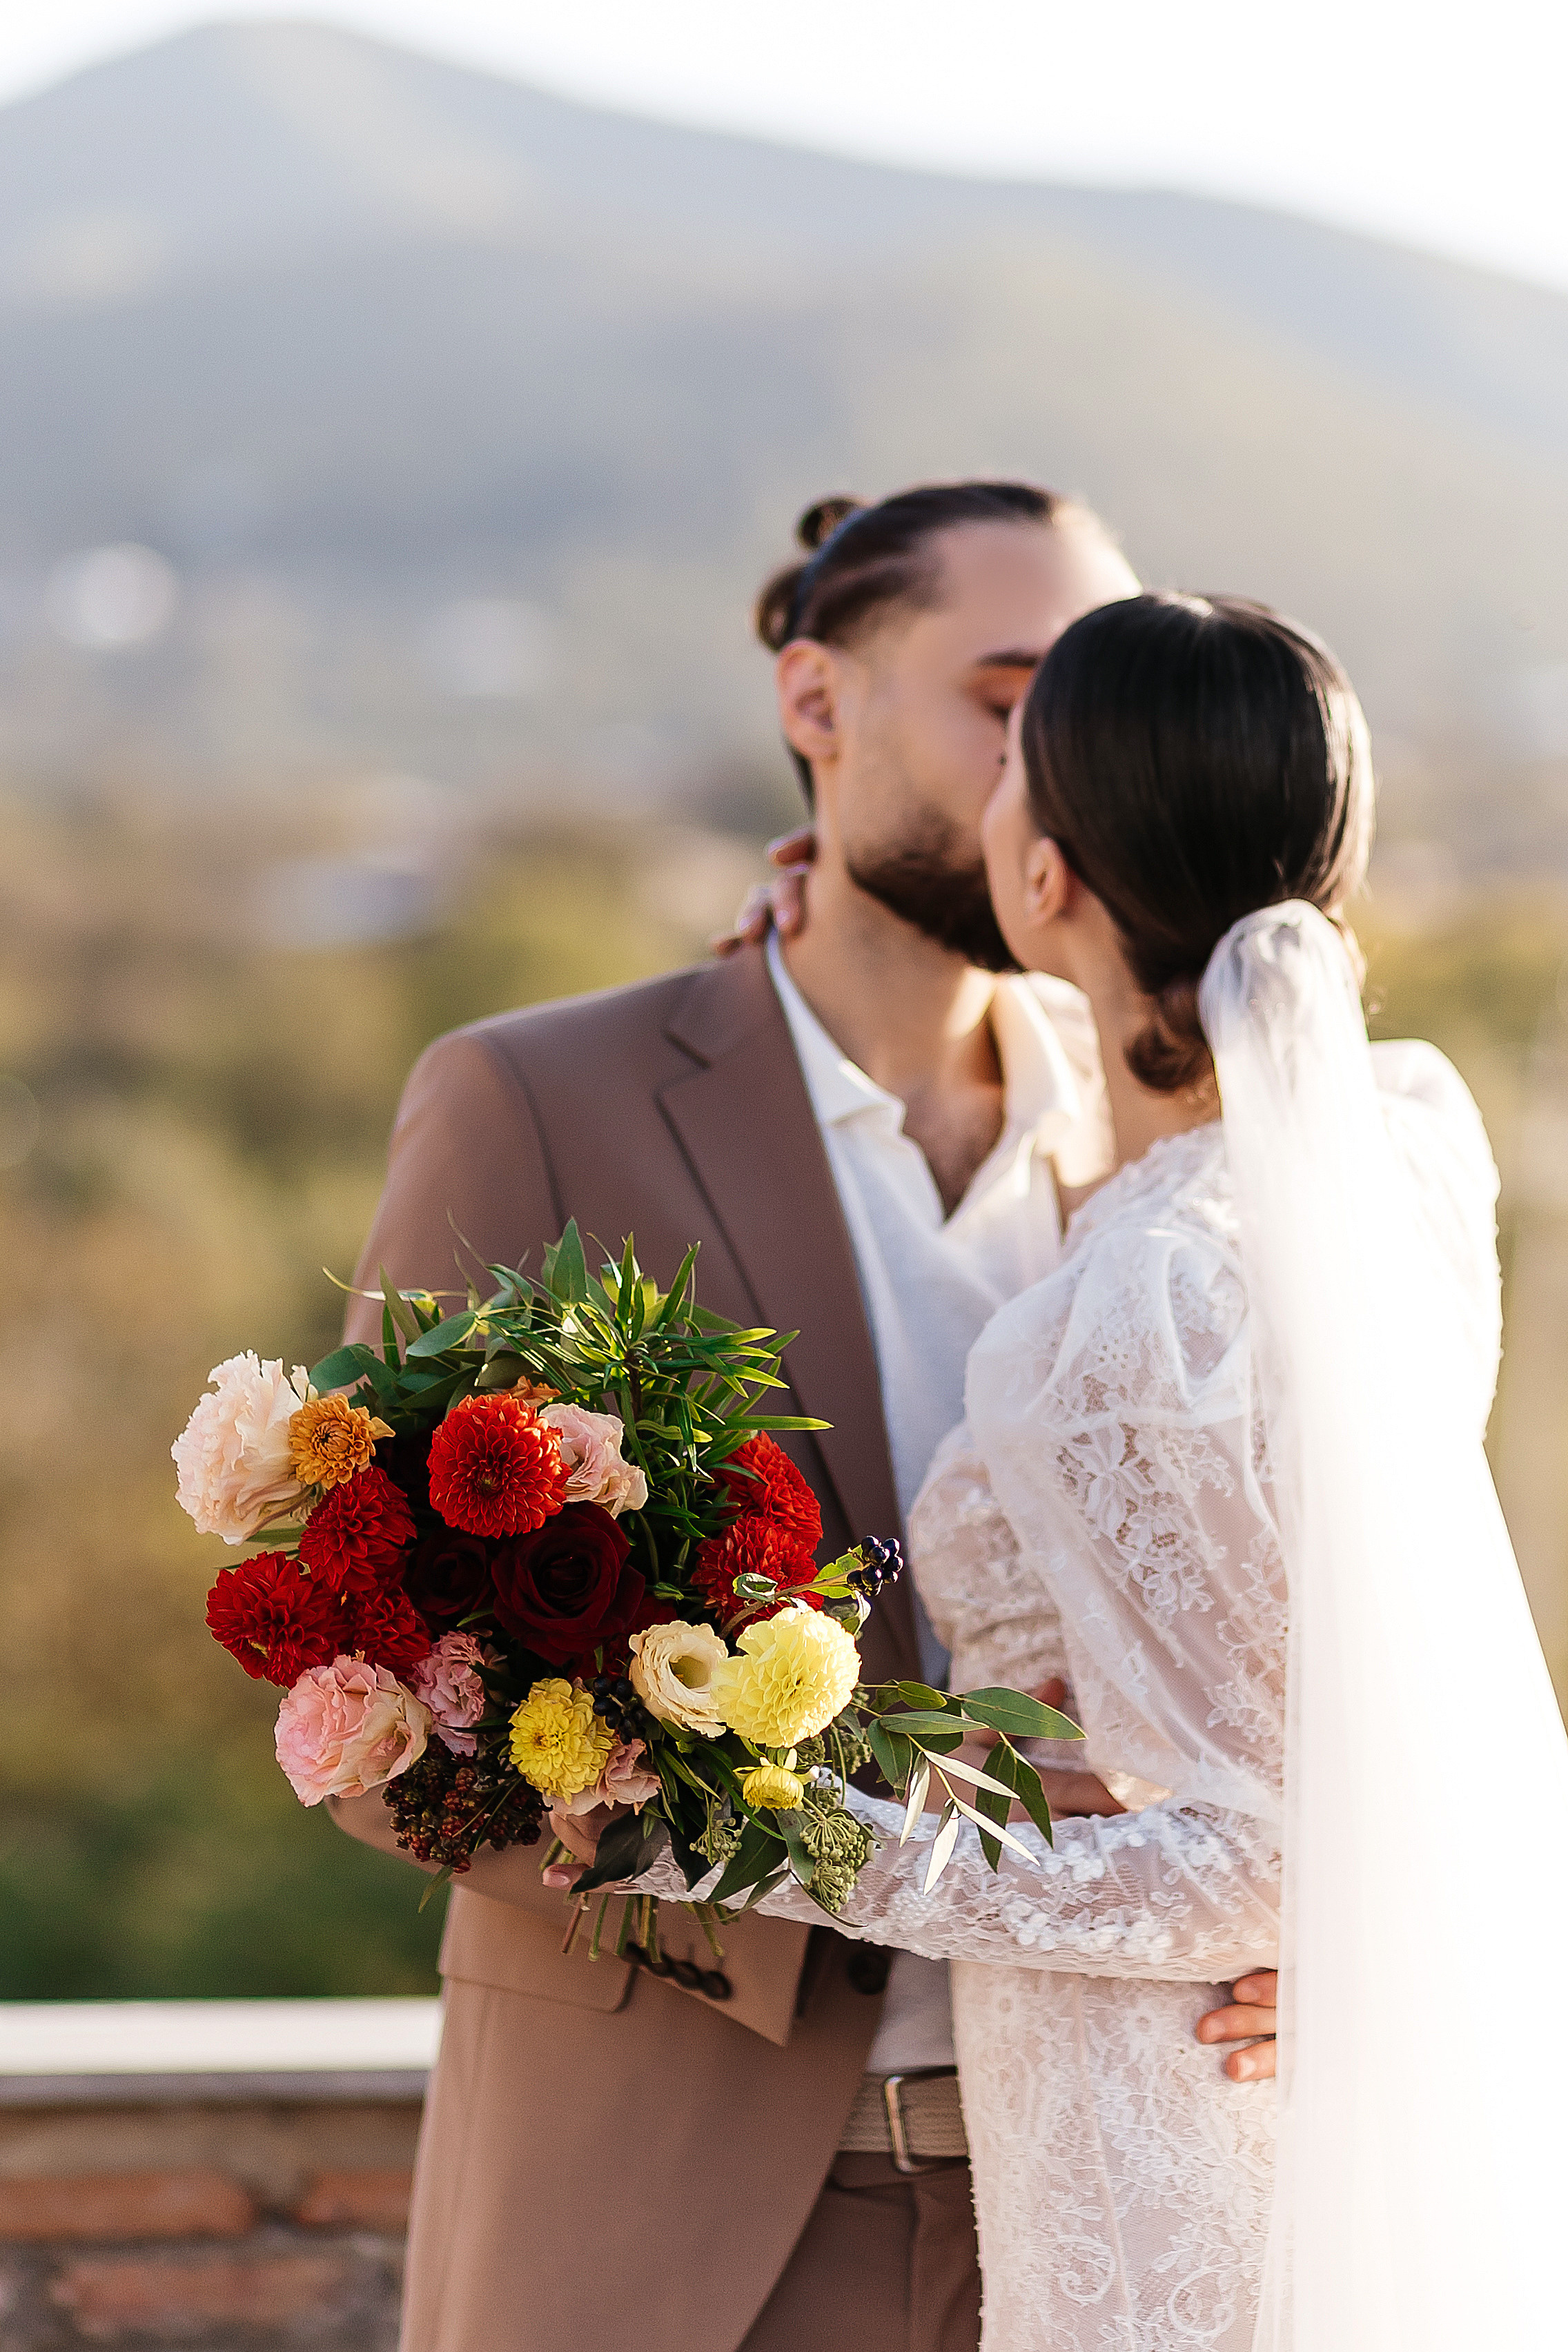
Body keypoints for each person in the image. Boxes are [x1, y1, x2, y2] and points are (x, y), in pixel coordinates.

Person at [330, 489, 1277, 2352]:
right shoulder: (536, 1099)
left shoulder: (1189, 1162)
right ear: (817, 702)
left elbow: (1333, 1656)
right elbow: (368, 1702)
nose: (1054, 764)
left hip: (1110, 2194)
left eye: (1088, 709)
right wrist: (760, 1846)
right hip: (682, 2201)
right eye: (1007, 700)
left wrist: (1334, 1922)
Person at [576, 589, 1568, 2349]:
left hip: (1165, 2100)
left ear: (1045, 881)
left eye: (1012, 768)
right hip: (1234, 2076)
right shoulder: (1399, 1153)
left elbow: (1245, 1852)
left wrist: (754, 1835)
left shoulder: (1148, 1301)